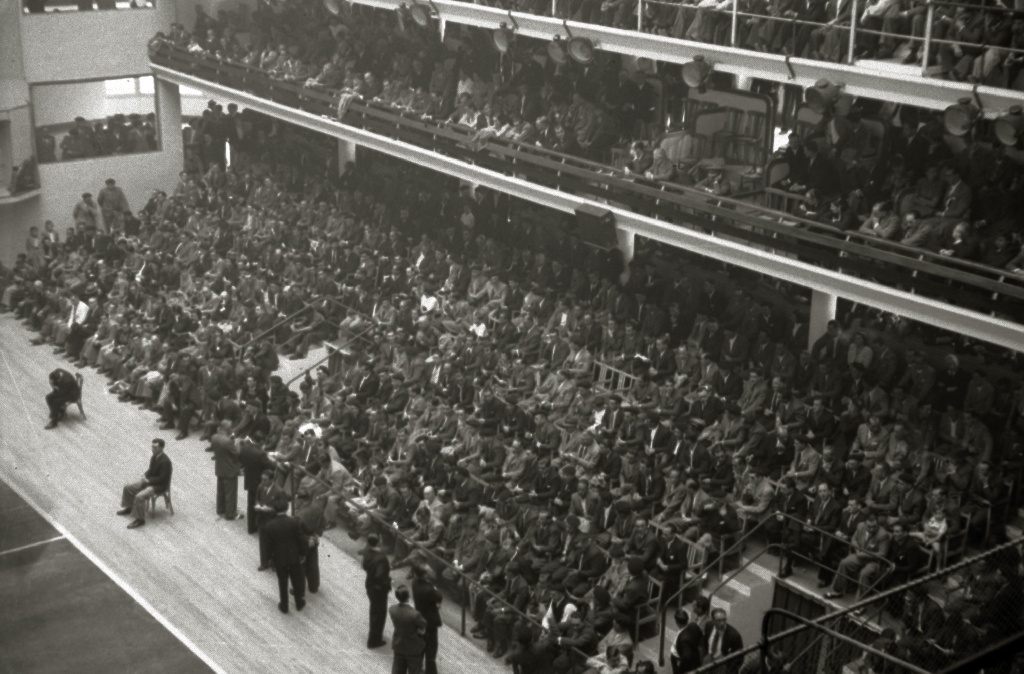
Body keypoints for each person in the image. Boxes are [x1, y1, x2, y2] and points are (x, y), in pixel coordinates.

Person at [262, 500, 309, 613]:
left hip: (279, 559)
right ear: (286, 508)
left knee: (282, 582)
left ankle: (284, 606)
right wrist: (303, 553)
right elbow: (301, 540)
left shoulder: (269, 526)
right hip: (293, 557)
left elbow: (268, 546)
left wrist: (269, 560)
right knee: (296, 580)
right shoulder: (294, 522)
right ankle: (299, 603)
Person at [117, 438, 172, 529]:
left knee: (140, 496)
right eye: (152, 447)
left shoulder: (165, 462)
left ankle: (140, 519)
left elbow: (163, 478)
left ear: (161, 448)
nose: (152, 449)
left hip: (159, 486)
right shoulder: (154, 456)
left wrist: (149, 481)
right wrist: (145, 475)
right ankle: (129, 507)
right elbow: (151, 470)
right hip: (150, 481)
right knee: (128, 487)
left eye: (155, 447)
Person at [411, 564, 442, 674]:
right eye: (429, 570)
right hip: (430, 621)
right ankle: (431, 671)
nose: (432, 570)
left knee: (421, 644)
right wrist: (434, 587)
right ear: (425, 575)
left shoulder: (415, 582)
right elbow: (439, 596)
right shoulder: (429, 589)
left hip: (420, 617)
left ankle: (417, 667)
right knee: (431, 648)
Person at [390, 584, 427, 674]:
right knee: (414, 670)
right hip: (413, 647)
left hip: (399, 644)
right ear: (408, 597)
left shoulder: (392, 609)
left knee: (398, 669)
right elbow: (423, 626)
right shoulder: (415, 614)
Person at [364, 532, 392, 648]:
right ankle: (374, 641)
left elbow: (365, 566)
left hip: (369, 584)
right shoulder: (382, 558)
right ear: (379, 542)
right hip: (378, 590)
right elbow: (379, 576)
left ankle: (374, 638)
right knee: (379, 614)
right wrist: (384, 583)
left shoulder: (367, 552)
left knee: (374, 611)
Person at [210, 422, 242, 521]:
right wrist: (237, 443)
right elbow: (237, 453)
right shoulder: (227, 441)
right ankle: (230, 514)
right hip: (229, 469)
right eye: (230, 427)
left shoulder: (214, 437)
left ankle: (221, 509)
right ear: (227, 428)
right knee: (230, 493)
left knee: (221, 490)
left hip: (220, 467)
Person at [671, 608, 705, 673]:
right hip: (695, 656)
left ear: (677, 622)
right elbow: (701, 639)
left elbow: (686, 658)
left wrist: (681, 670)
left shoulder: (684, 640)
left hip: (681, 661)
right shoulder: (694, 625)